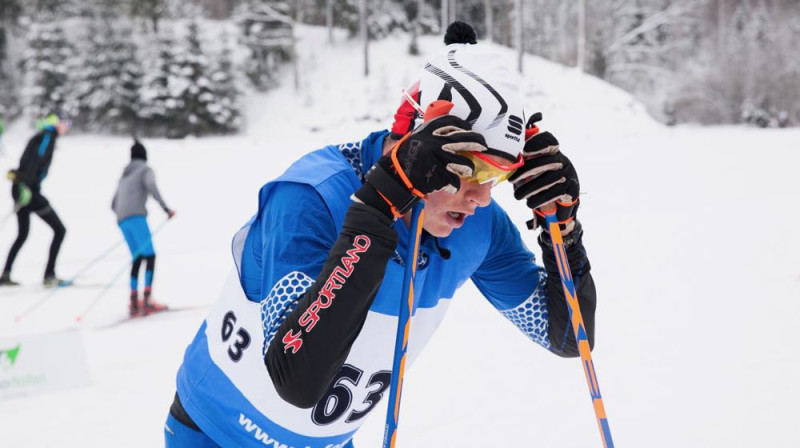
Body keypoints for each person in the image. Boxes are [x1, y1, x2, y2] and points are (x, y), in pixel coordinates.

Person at [166, 22, 596, 448]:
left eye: (498, 175)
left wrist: (563, 235)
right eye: (472, 169)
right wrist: (377, 209)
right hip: (215, 433)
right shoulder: (312, 196)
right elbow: (296, 377)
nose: (481, 198)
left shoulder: (479, 226)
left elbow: (566, 337)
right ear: (413, 141)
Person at [1, 113, 70, 287]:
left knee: (22, 234)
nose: (67, 128)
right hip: (27, 190)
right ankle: (49, 275)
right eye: (66, 123)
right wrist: (26, 185)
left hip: (22, 188)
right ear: (57, 123)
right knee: (60, 230)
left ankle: (6, 274)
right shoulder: (48, 137)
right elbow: (34, 162)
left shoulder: (43, 135)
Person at [111, 139, 175, 316]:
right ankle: (146, 300)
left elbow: (113, 203)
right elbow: (152, 186)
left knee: (137, 257)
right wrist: (166, 209)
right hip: (137, 218)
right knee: (150, 256)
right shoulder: (145, 170)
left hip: (121, 220)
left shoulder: (124, 175)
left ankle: (133, 301)